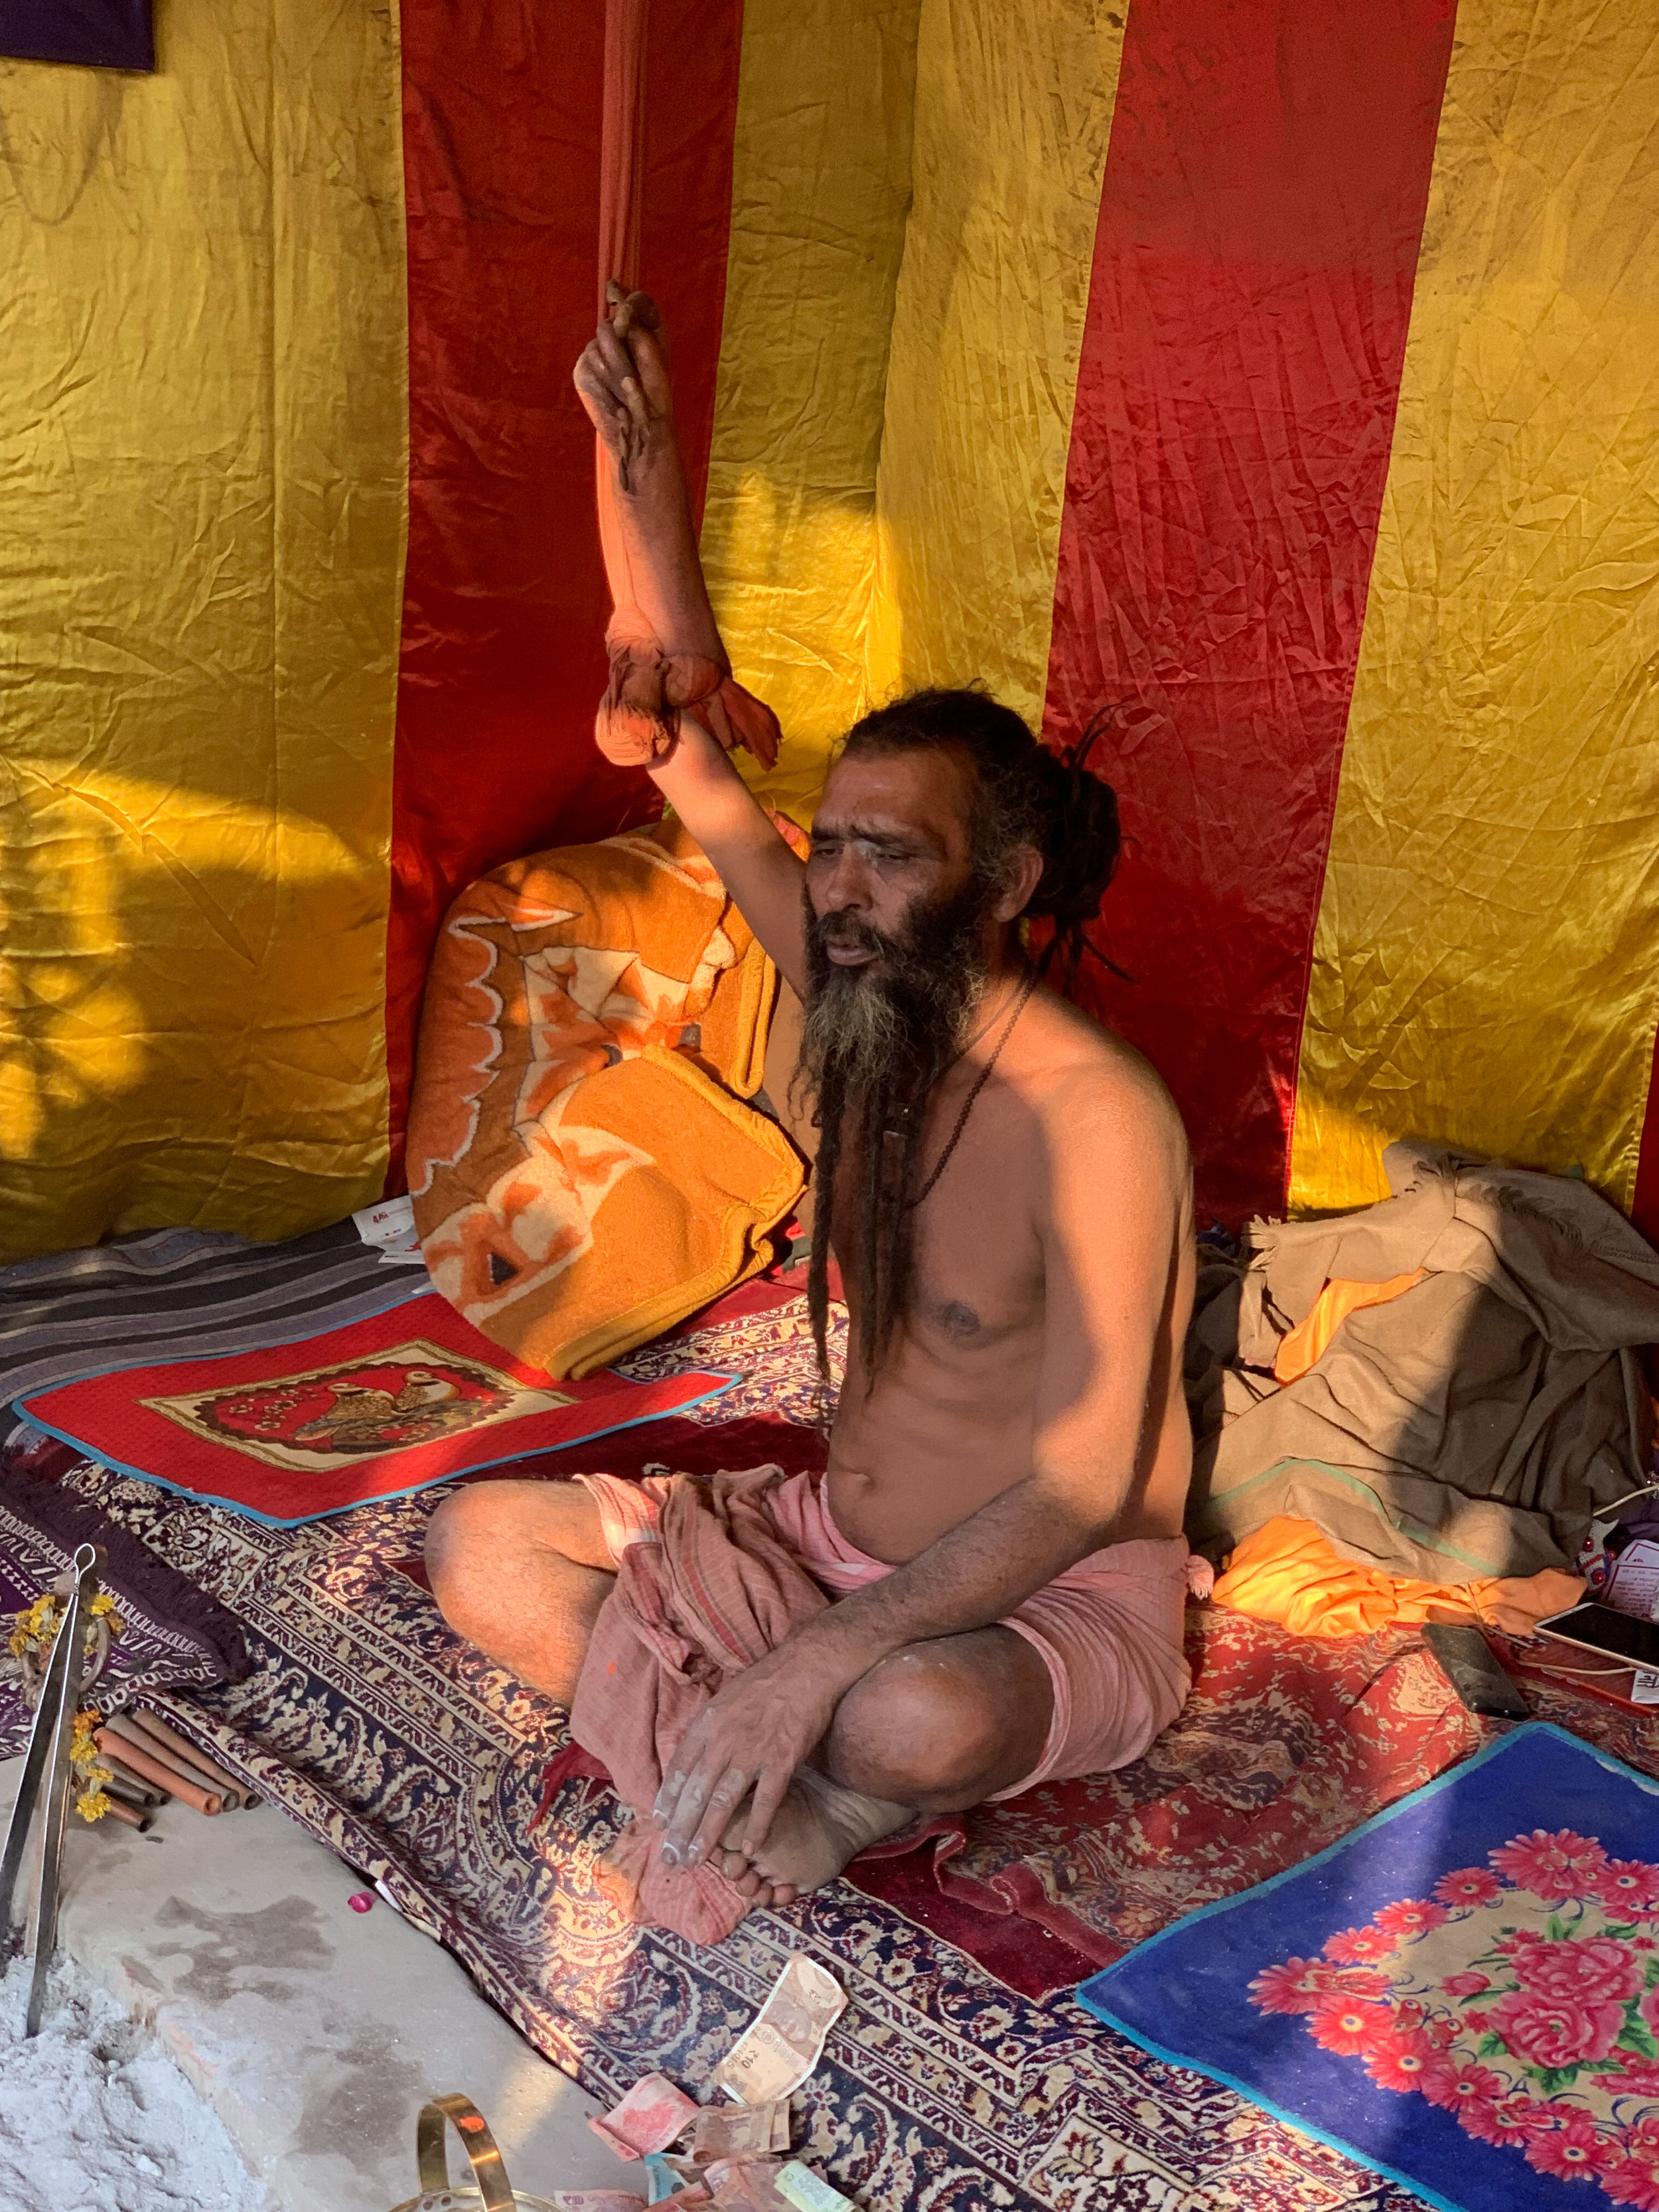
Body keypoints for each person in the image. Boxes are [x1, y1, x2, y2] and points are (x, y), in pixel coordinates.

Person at [424, 288, 1197, 1915]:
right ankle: (770, 1765)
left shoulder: (1101, 1117)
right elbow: (682, 744)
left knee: (905, 1709)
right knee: (481, 1544)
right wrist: (632, 459)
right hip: (822, 1542)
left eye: (884, 852)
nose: (832, 886)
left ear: (1003, 880)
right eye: (828, 842)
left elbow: (1083, 1481)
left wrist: (814, 1664)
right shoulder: (862, 987)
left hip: (1037, 1593)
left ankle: (780, 1767)